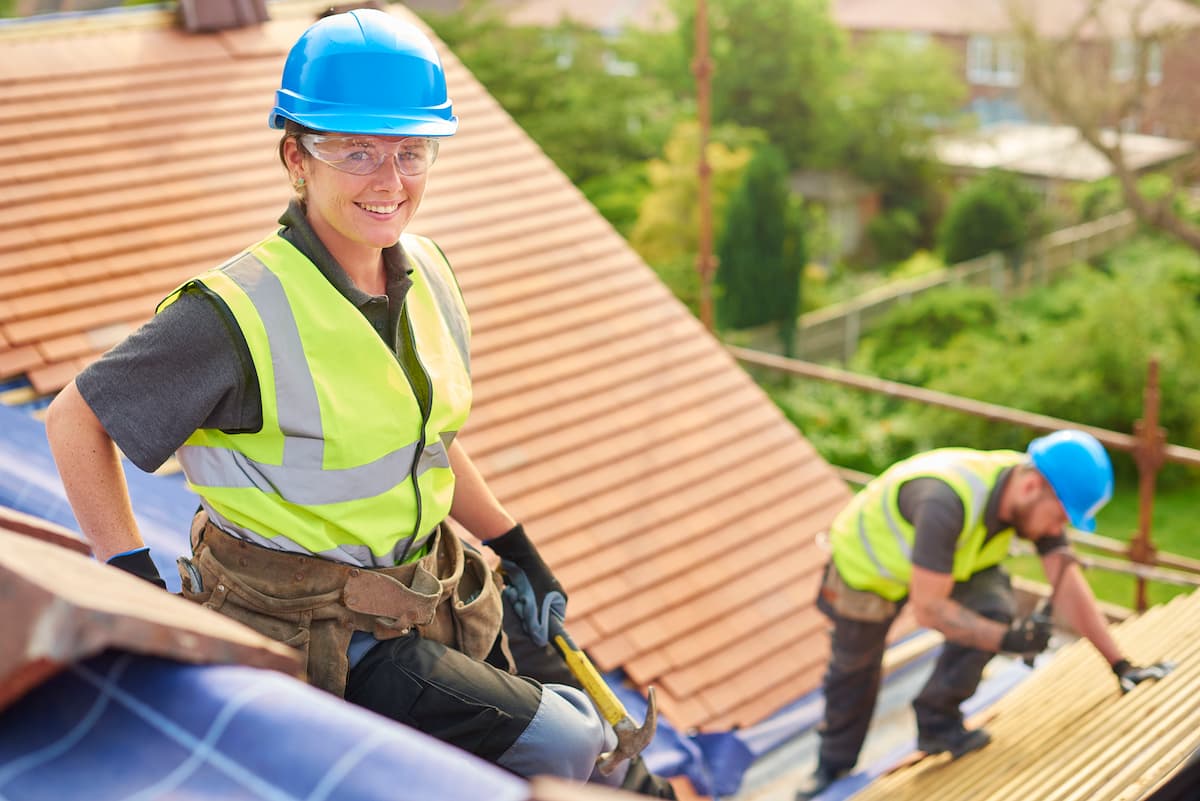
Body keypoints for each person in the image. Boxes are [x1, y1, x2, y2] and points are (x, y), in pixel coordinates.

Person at [44, 8, 672, 797]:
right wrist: (131, 579)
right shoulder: (235, 312)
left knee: (606, 743)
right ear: (295, 158)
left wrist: (514, 544)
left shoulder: (427, 273)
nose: (390, 180)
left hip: (424, 590)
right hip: (317, 627)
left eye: (412, 152)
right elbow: (74, 419)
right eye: (357, 151)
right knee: (569, 736)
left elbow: (428, 437)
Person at [797, 430, 1168, 799]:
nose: (1058, 530)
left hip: (945, 564)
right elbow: (929, 610)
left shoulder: (1024, 489)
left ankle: (938, 722)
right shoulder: (945, 500)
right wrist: (1007, 641)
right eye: (1059, 518)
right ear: (1031, 487)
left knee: (994, 610)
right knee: (854, 671)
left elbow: (1066, 581)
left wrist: (1120, 664)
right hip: (866, 573)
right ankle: (832, 767)